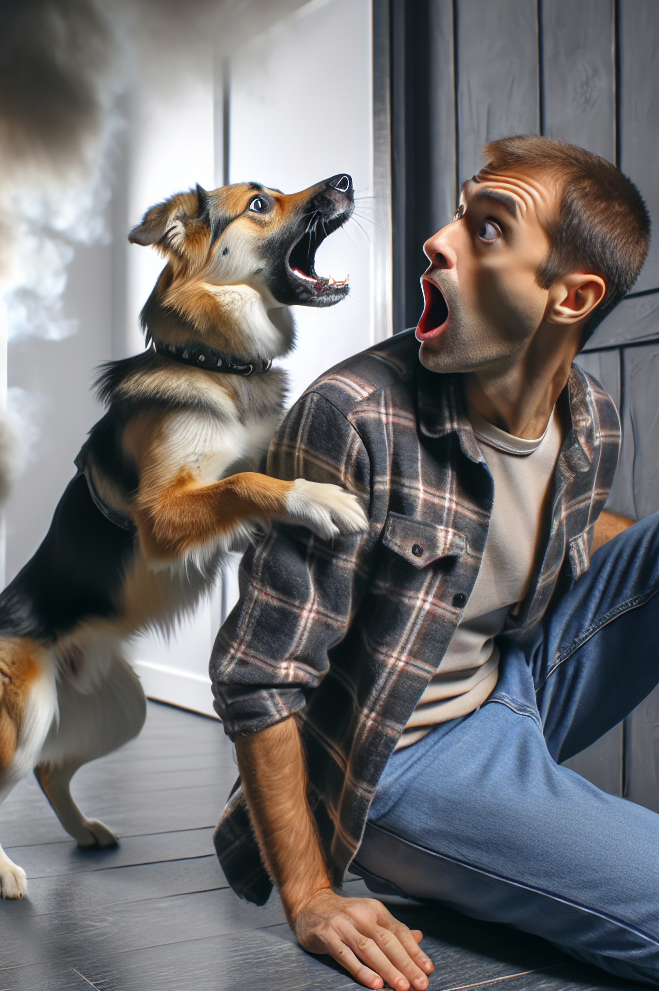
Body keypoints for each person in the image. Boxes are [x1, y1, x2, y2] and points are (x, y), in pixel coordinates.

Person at [209, 135, 657, 990]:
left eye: (487, 228)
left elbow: (565, 531)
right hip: (399, 757)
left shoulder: (591, 415)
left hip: (520, 687)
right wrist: (309, 895)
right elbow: (258, 677)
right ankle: (463, 838)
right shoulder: (354, 416)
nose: (439, 238)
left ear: (571, 297)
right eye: (461, 211)